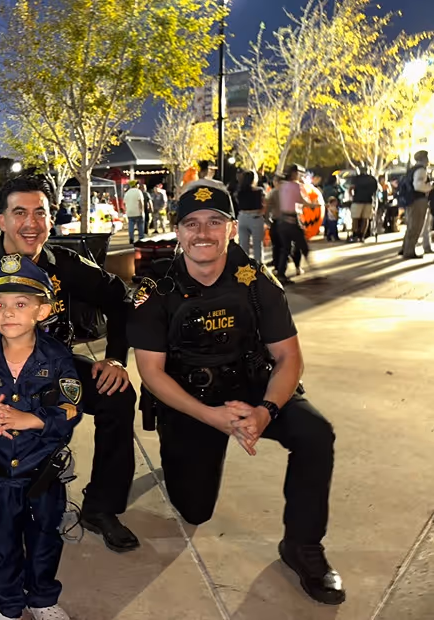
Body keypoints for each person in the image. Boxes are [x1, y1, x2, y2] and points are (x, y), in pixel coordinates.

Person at [129, 179, 345, 606]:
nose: (202, 233)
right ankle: (202, 452)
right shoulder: (156, 288)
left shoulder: (255, 281)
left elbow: (289, 358)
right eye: (191, 223)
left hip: (250, 389)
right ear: (178, 231)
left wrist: (265, 411)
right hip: (189, 402)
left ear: (232, 228)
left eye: (214, 221)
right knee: (195, 511)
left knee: (316, 433)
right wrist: (211, 418)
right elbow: (152, 374)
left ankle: (303, 546)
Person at [0, 175, 139, 553]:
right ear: (0, 220)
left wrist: (115, 357)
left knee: (117, 394)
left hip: (54, 372)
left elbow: (119, 298)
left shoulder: (63, 263)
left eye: (40, 213)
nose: (31, 224)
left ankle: (101, 507)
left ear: (52, 218)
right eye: (19, 213)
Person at [0, 254, 82, 620]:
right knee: (1, 544)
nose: (8, 312)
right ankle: (8, 603)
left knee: (46, 538)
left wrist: (29, 420)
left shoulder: (58, 357)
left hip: (43, 472)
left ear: (42, 311)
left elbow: (70, 409)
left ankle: (43, 597)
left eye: (20, 303)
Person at [276, 165, 310, 283]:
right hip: (292, 219)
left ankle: (281, 273)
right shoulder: (296, 186)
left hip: (282, 220)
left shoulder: (282, 185)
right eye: (299, 173)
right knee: (302, 245)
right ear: (294, 174)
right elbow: (301, 201)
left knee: (285, 248)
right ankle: (311, 269)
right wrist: (314, 204)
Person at [400, 150, 433, 259]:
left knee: (411, 225)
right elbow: (418, 186)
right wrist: (430, 186)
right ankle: (409, 251)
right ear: (424, 159)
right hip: (418, 200)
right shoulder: (421, 171)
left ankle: (405, 248)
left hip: (410, 200)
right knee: (416, 226)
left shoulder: (412, 170)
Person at [235, 170, 266, 262]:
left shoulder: (239, 191)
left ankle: (244, 267)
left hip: (242, 217)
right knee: (257, 245)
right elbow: (265, 204)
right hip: (255, 217)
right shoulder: (259, 191)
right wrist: (261, 213)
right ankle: (258, 267)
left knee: (243, 245)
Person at [348, 170, 378, 242]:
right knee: (366, 219)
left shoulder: (356, 178)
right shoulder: (372, 179)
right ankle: (362, 236)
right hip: (368, 200)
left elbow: (351, 188)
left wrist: (352, 196)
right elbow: (375, 190)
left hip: (357, 200)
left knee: (355, 218)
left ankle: (355, 234)